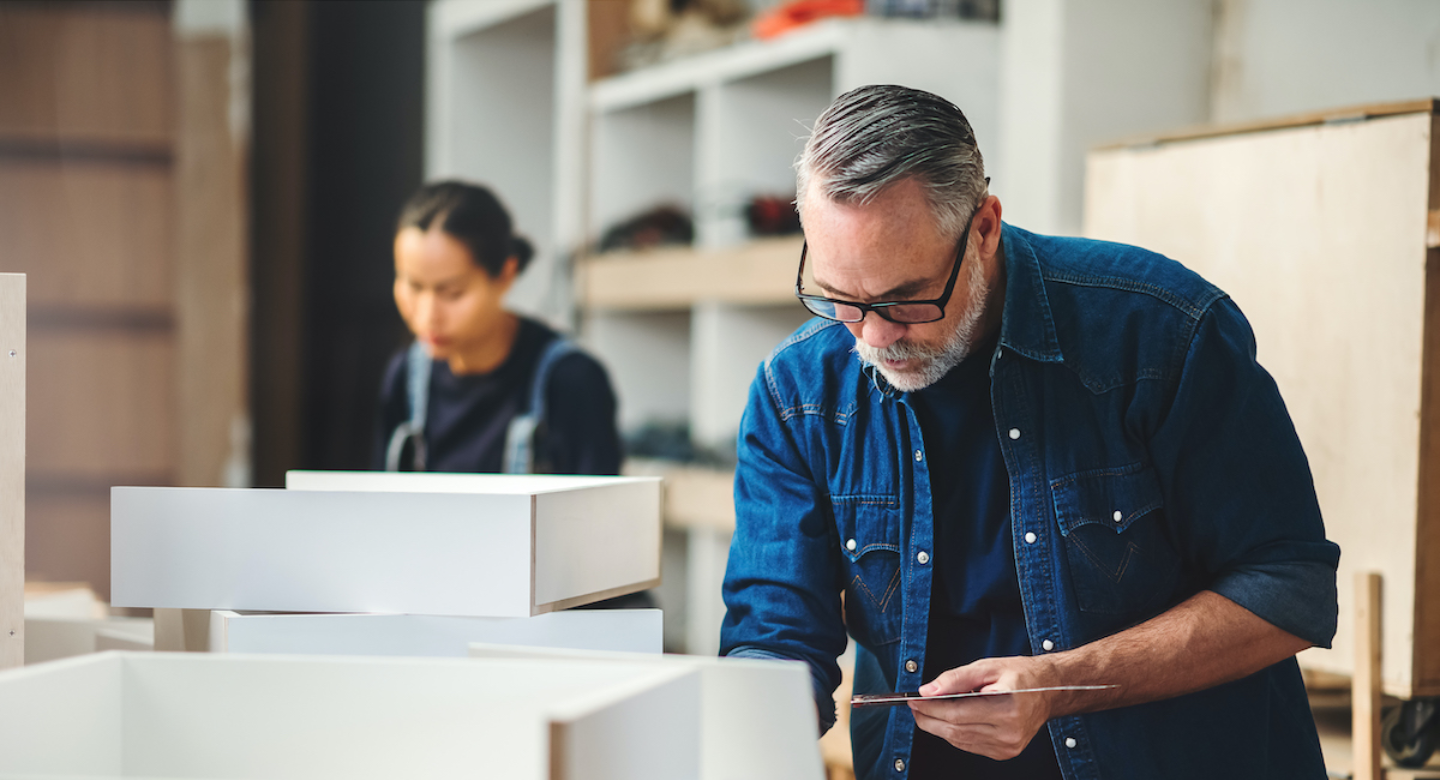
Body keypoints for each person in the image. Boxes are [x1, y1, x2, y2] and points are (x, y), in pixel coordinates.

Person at [719, 85, 1340, 779]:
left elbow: (1289, 590)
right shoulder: (797, 393)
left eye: (906, 299)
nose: (874, 335)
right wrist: (753, 724)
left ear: (983, 227)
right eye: (840, 298)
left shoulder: (1160, 335)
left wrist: (1062, 685)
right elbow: (776, 636)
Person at [374, 180, 622, 476]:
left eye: (452, 293)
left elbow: (599, 516)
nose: (428, 315)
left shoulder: (570, 380)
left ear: (506, 273)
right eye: (413, 286)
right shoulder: (405, 376)